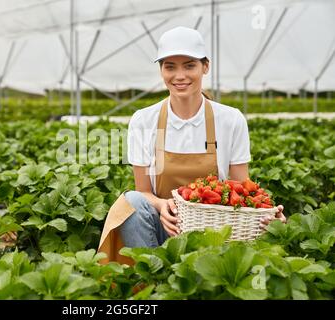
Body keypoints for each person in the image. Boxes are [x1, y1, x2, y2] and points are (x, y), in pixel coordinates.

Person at [98, 26, 286, 264]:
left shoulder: (230, 120)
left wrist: (267, 212)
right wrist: (162, 204)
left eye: (189, 65)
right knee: (132, 201)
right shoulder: (144, 120)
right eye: (170, 67)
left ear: (205, 67)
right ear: (161, 70)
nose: (179, 76)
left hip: (214, 232)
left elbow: (242, 189)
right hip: (164, 227)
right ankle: (152, 276)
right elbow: (144, 191)